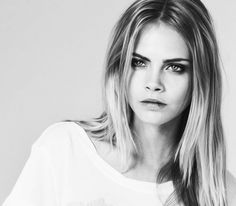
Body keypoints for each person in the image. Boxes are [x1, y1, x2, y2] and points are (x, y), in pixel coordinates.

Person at [3, 0, 236, 205]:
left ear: (201, 79)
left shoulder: (220, 192)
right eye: (139, 63)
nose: (153, 83)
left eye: (174, 67)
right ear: (119, 68)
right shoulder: (64, 150)